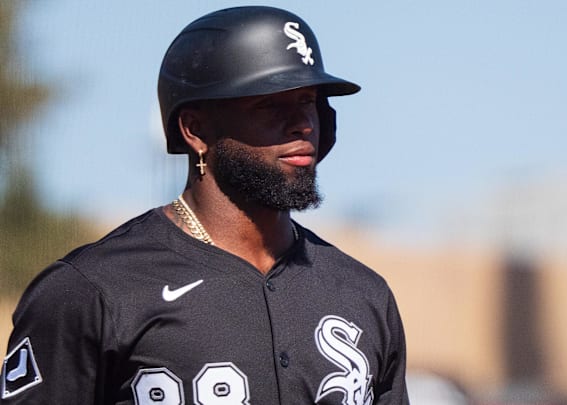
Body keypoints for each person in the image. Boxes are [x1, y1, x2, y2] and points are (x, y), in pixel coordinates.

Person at [1, 6, 409, 404]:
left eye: (307, 101)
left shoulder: (363, 294)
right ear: (195, 129)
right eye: (270, 103)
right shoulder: (92, 290)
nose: (303, 123)